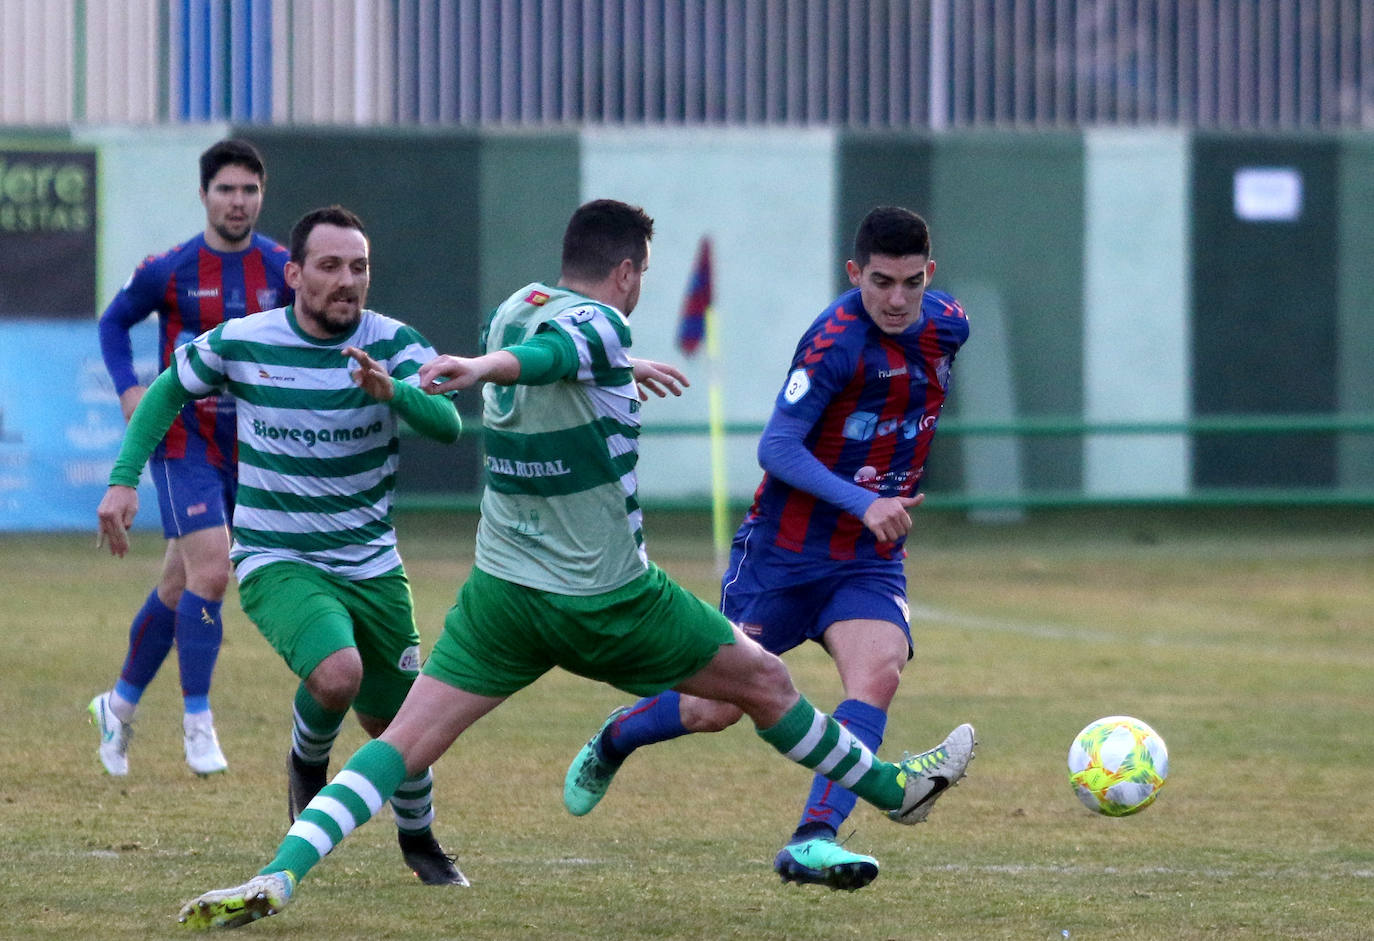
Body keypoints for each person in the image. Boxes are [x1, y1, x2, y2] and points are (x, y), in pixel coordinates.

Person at [169, 198, 975, 931]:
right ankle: (895, 793)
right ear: (625, 272)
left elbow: (557, 350)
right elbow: (562, 353)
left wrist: (597, 367)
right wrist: (490, 373)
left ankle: (279, 873)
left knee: (401, 743)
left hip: (502, 600)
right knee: (766, 685)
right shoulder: (597, 328)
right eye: (640, 279)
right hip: (611, 599)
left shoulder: (512, 309)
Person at [561, 206, 972, 891]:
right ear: (854, 274)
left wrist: (885, 485)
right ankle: (616, 736)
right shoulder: (833, 342)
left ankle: (812, 838)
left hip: (865, 557)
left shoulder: (950, 324)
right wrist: (866, 498)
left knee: (877, 674)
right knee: (715, 707)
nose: (896, 299)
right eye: (880, 282)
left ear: (929, 274)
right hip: (781, 555)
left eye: (910, 283)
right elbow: (776, 447)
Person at [97, 205, 468, 887]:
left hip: (372, 562)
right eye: (329, 266)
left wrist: (394, 394)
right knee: (337, 672)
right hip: (278, 555)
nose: (346, 280)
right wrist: (124, 481)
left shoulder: (395, 343)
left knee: (400, 720)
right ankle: (306, 760)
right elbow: (166, 394)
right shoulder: (244, 340)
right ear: (295, 273)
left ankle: (419, 838)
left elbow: (448, 422)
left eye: (358, 267)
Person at [90, 138, 291, 777]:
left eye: (249, 190)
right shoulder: (170, 268)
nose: (238, 201)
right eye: (226, 189)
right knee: (212, 574)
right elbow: (113, 323)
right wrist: (130, 391)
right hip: (183, 440)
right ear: (204, 195)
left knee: (178, 587)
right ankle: (198, 724)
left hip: (249, 444)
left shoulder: (283, 269)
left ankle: (116, 707)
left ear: (262, 195)